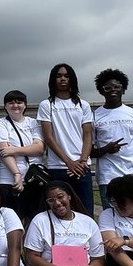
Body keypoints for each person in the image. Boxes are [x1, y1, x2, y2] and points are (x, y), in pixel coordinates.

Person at [37, 63, 95, 216]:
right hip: (58, 167)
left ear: (72, 79)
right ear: (53, 80)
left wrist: (82, 161)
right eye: (58, 76)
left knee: (85, 212)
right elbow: (48, 137)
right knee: (59, 212)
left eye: (66, 76)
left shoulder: (83, 105)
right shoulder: (46, 105)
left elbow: (87, 135)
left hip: (82, 167)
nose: (62, 79)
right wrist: (69, 162)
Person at [90, 69, 133, 211]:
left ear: (123, 89)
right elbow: (88, 151)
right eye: (108, 87)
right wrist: (106, 149)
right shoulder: (94, 117)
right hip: (107, 177)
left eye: (117, 87)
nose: (113, 90)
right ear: (101, 91)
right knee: (111, 217)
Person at [0, 90, 45, 222]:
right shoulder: (0, 123)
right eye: (11, 103)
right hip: (8, 180)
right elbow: (4, 151)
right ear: (5, 106)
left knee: (33, 219)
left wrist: (14, 150)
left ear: (25, 105)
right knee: (12, 220)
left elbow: (39, 149)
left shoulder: (33, 123)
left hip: (32, 179)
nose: (16, 106)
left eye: (19, 102)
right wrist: (17, 174)